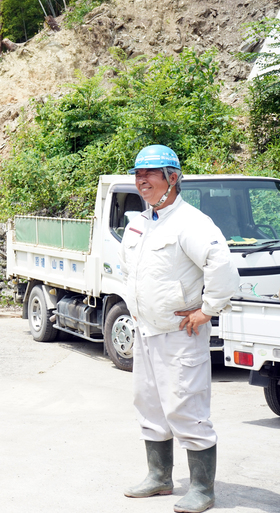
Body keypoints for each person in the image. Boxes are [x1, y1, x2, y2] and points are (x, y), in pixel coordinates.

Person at [119, 145, 239, 513]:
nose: (142, 181)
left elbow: (223, 272)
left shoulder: (192, 223)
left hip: (180, 334)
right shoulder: (141, 222)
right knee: (149, 406)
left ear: (173, 178)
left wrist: (206, 311)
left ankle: (202, 488)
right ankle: (159, 477)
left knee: (186, 407)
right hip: (146, 332)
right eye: (138, 174)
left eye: (151, 174)